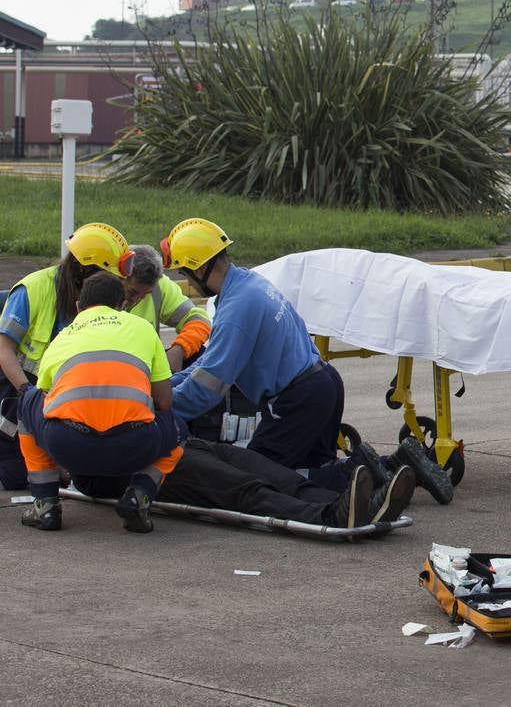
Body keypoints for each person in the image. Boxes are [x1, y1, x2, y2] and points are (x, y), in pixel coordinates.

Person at [159, 217, 454, 503]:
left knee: (258, 476)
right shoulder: (249, 284)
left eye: (185, 272)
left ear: (198, 268)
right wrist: (162, 386)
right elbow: (208, 362)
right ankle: (399, 464)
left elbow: (209, 385)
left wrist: (160, 409)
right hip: (323, 382)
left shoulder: (236, 310)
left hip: (297, 401)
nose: (187, 280)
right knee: (317, 473)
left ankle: (358, 469)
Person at [14, 271, 185, 533]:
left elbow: (45, 402)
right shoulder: (143, 329)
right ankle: (141, 493)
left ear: (79, 307)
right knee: (178, 428)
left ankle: (45, 503)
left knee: (27, 403)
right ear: (122, 305)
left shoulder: (61, 338)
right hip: (134, 445)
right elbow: (164, 400)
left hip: (69, 446)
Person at [1, 223, 131, 490]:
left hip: (64, 398)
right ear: (85, 270)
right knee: (14, 476)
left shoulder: (97, 300)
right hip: (20, 394)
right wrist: (28, 394)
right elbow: (4, 350)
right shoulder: (33, 289)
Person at [74, 439, 418, 531]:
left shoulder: (113, 341)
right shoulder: (63, 356)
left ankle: (363, 504)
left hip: (179, 441)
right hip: (147, 466)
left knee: (279, 476)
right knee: (244, 489)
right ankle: (328, 517)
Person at [121, 245, 212, 372]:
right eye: (132, 292)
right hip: (110, 368)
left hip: (146, 367)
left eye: (146, 294)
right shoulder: (100, 287)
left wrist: (180, 349)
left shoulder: (160, 285)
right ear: (121, 276)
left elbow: (199, 319)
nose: (138, 299)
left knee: (199, 355)